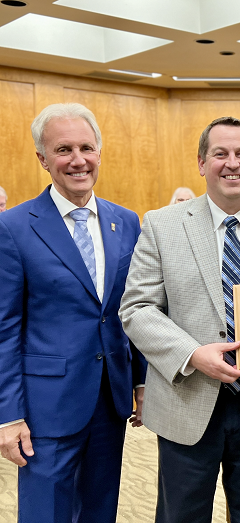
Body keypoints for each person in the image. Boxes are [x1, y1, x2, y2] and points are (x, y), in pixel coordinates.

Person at [119, 116, 240, 523]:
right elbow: (137, 308)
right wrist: (192, 354)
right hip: (187, 399)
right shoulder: (162, 224)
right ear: (201, 162)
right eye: (220, 154)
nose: (232, 163)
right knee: (182, 517)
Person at [0, 103, 146, 523]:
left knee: (101, 509)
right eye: (63, 149)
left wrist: (140, 380)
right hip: (46, 406)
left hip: (110, 398)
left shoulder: (127, 222)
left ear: (99, 152)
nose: (77, 160)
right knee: (46, 512)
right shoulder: (13, 228)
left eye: (86, 147)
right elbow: (5, 330)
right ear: (42, 159)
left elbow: (130, 309)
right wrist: (8, 415)